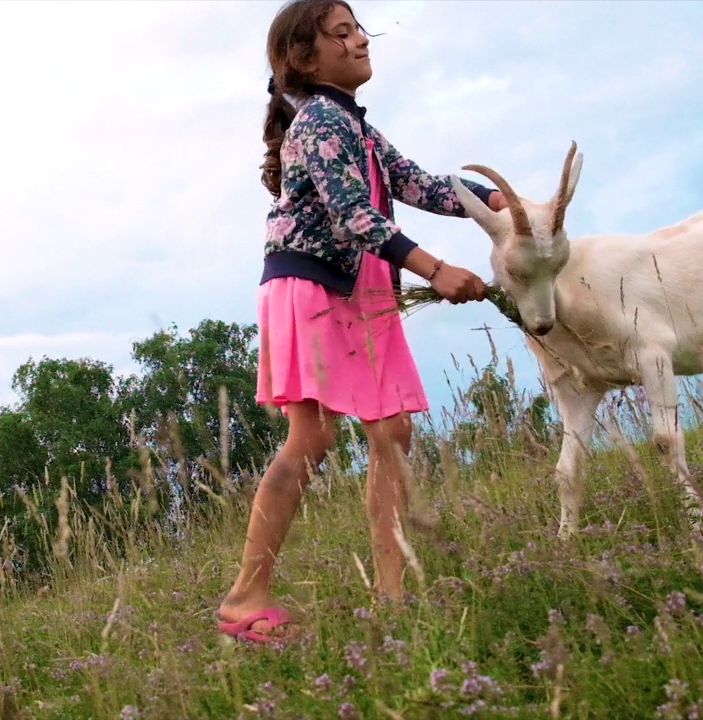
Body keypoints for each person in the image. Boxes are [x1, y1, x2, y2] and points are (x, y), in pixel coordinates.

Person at [215, 0, 508, 644]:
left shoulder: (359, 128)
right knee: (313, 437)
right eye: (340, 33)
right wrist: (435, 268)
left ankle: (394, 597)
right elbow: (353, 213)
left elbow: (418, 182)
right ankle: (245, 595)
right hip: (316, 282)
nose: (358, 41)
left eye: (359, 30)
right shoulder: (319, 121)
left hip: (364, 287)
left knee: (392, 431)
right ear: (302, 58)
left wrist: (489, 198)